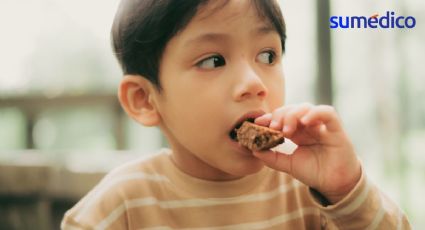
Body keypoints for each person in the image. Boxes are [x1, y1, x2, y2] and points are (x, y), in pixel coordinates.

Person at [61, 0, 411, 229]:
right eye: (214, 60)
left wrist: (347, 189)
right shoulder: (122, 206)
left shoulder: (309, 192)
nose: (254, 82)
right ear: (145, 100)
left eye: (268, 56)